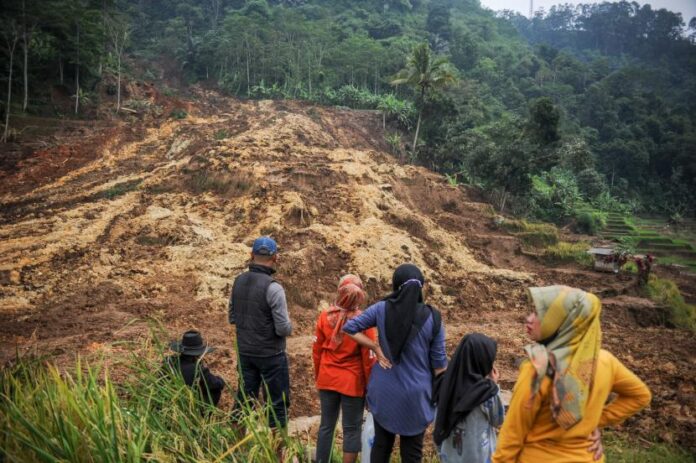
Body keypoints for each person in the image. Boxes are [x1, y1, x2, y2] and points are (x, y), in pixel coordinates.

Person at [493, 285, 652, 463]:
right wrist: (593, 422)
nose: (529, 319)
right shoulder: (605, 362)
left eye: (539, 313)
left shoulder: (538, 368)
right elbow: (640, 396)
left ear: (563, 322)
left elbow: (512, 435)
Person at [343, 263, 447, 463]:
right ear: (420, 288)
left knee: (381, 448)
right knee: (412, 453)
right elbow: (439, 364)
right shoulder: (433, 318)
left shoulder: (381, 309)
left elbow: (350, 327)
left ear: (395, 285)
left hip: (385, 391)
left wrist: (375, 347)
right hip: (416, 396)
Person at [229, 236, 292, 429]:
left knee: (243, 401)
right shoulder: (274, 288)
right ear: (275, 258)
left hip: (246, 353)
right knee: (277, 406)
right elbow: (283, 328)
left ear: (251, 255)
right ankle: (277, 455)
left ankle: (237, 450)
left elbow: (232, 317)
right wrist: (291, 326)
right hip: (271, 355)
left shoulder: (238, 281)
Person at [313, 274, 377, 463]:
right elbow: (368, 360)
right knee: (351, 429)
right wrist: (368, 389)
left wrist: (320, 376)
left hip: (327, 378)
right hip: (352, 382)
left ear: (340, 292)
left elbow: (316, 351)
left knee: (326, 426)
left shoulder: (324, 317)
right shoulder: (365, 321)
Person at [433, 333, 505, 463]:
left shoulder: (445, 383)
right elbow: (498, 420)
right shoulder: (486, 392)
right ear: (482, 361)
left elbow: (438, 419)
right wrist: (494, 385)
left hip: (450, 457)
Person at [164, 330, 226, 408]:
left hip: (168, 399)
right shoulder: (198, 370)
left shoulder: (169, 361)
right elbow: (216, 384)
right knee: (215, 390)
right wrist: (220, 379)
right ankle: (203, 414)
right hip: (189, 404)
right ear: (198, 354)